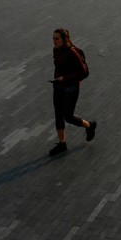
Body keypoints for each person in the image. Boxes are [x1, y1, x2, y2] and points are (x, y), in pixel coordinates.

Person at [49, 27, 95, 156]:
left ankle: (90, 126)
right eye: (53, 38)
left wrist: (65, 78)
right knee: (58, 114)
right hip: (58, 86)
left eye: (57, 38)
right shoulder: (56, 50)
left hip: (71, 88)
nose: (54, 41)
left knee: (68, 117)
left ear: (65, 39)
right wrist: (58, 79)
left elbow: (85, 72)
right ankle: (62, 144)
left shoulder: (73, 52)